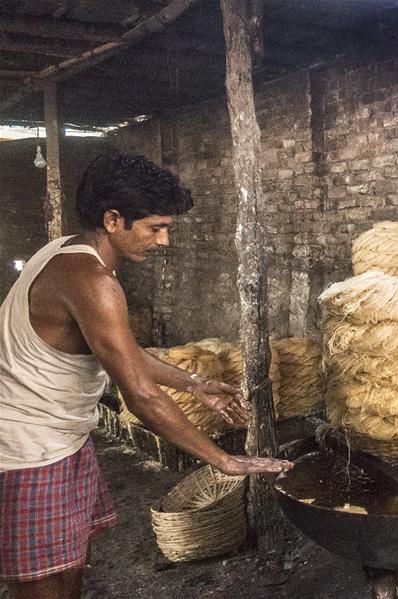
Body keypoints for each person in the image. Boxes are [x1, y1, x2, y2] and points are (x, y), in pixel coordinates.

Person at [0, 152, 292, 599]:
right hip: (26, 447)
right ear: (114, 219)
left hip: (59, 437)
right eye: (156, 227)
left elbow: (121, 351)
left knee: (69, 563)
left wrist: (194, 383)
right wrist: (223, 460)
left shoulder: (62, 250)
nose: (164, 241)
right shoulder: (94, 282)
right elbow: (139, 394)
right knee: (42, 580)